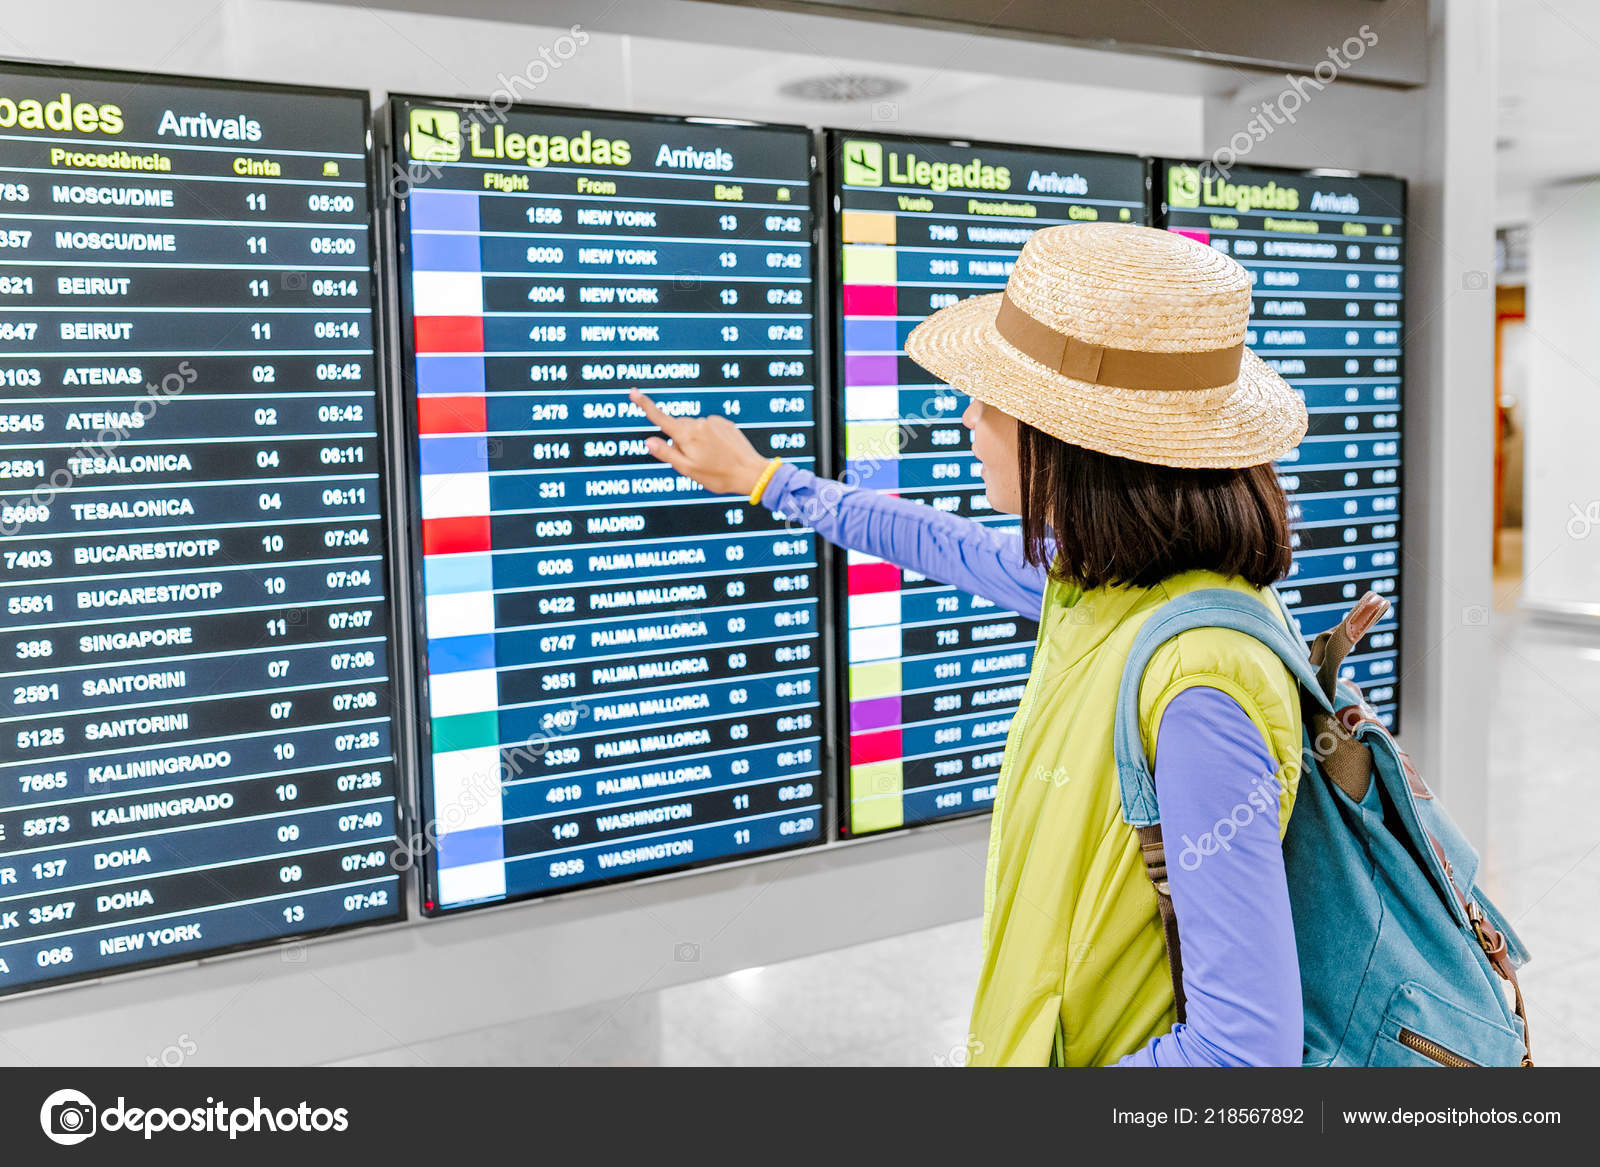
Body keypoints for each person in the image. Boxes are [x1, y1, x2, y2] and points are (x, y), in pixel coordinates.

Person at [632, 222, 1309, 1067]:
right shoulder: (1104, 586)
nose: (968, 415)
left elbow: (1245, 1058)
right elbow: (943, 543)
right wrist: (768, 480)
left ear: (1074, 441)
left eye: (998, 398)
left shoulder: (1197, 683)